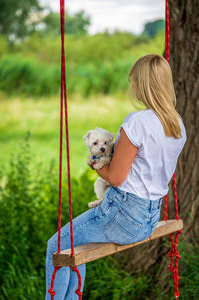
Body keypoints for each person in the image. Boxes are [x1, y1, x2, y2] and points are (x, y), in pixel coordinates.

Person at [45, 54, 187, 299]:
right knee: (73, 249)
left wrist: (96, 164)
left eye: (133, 81)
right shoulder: (177, 123)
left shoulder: (137, 122)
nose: (131, 86)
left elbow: (117, 177)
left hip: (123, 216)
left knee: (56, 245)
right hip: (150, 217)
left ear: (142, 85)